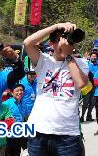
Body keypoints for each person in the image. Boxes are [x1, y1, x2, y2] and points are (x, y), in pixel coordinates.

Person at [23, 23, 90, 156]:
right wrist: (57, 26)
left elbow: (82, 83)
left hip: (67, 135)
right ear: (52, 43)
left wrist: (68, 56)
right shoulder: (44, 60)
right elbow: (28, 43)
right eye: (61, 39)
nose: (66, 43)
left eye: (69, 40)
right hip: (38, 132)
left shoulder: (81, 63)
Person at [2, 84, 30, 156]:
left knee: (17, 153)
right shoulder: (6, 103)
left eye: (21, 90)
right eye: (17, 91)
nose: (19, 92)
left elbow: (26, 116)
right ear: (12, 93)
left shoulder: (24, 103)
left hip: (19, 134)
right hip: (8, 136)